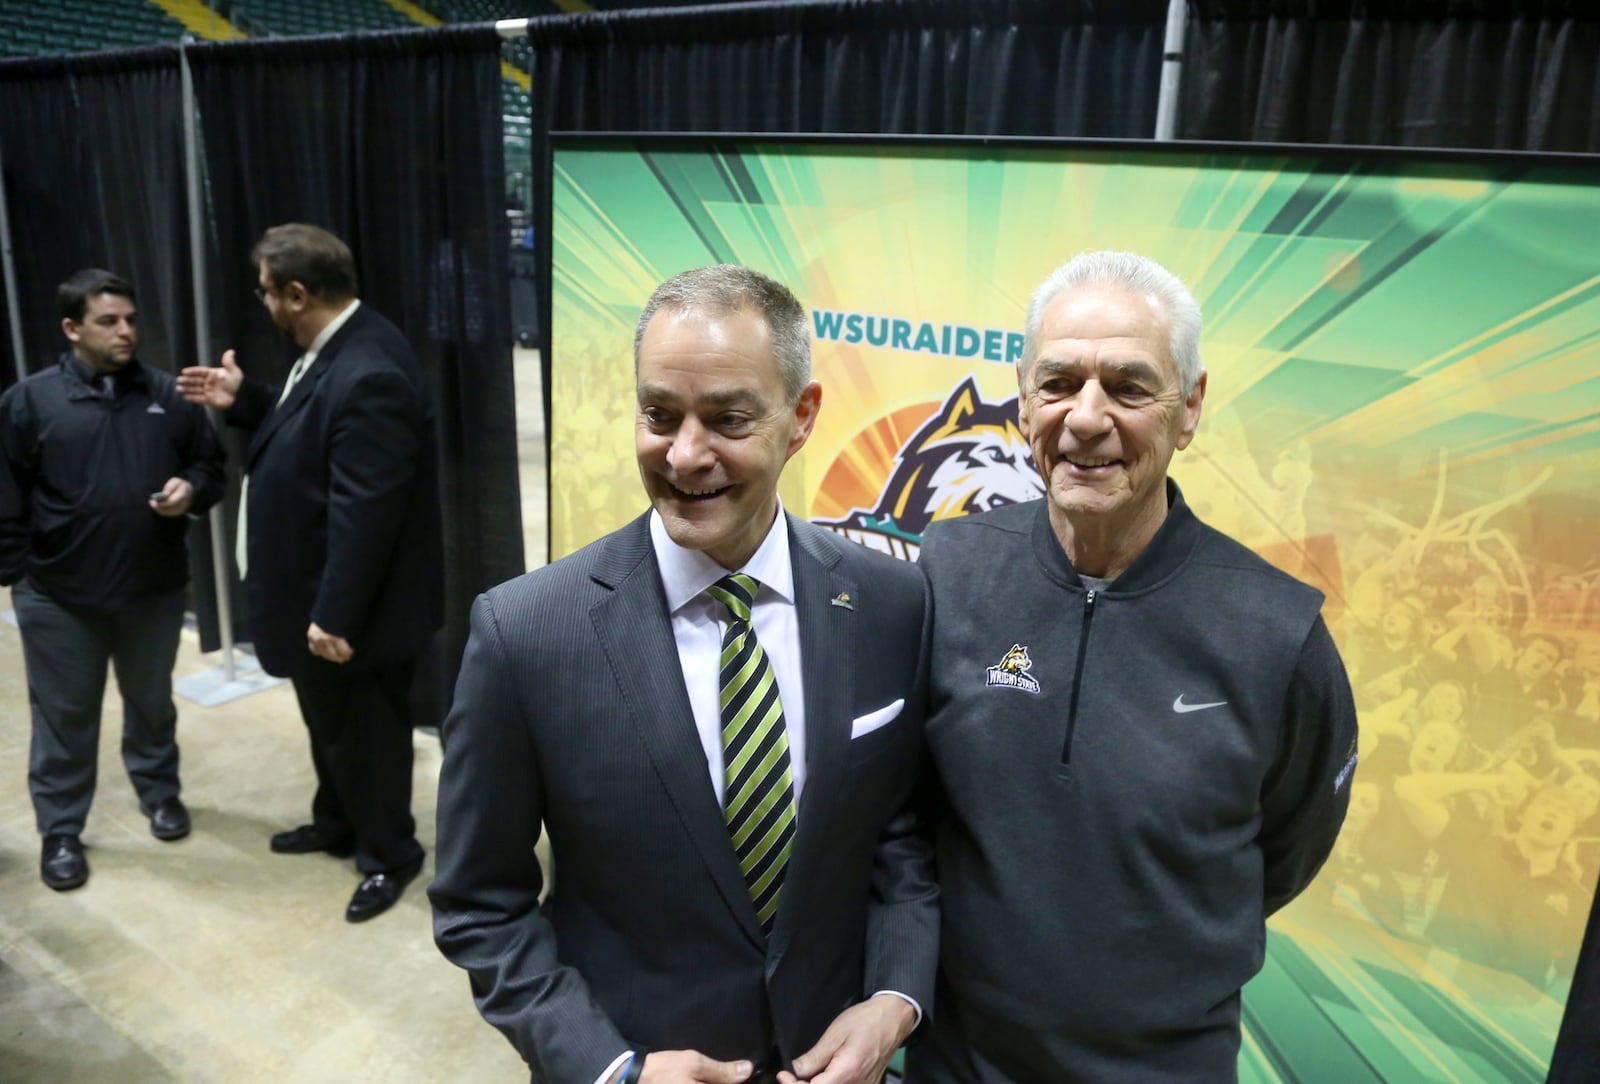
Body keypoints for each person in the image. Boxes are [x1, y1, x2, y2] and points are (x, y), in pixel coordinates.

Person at [428, 265, 936, 1084]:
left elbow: (900, 838)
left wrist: (896, 1000)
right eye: (660, 415)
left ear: (801, 417)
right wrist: (610, 1067)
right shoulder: (525, 633)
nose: (685, 454)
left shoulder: (889, 600)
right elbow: (479, 906)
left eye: (729, 419)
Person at [907, 251, 1359, 1081]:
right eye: (1058, 382)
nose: (1085, 418)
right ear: (1022, 395)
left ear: (1189, 409)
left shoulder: (1279, 633)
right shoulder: (946, 570)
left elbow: (1286, 850)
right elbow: (905, 816)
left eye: (1128, 386)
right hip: (954, 1064)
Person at [177, 224, 443, 923]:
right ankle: (338, 823)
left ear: (297, 293)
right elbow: (313, 430)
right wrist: (246, 399)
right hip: (319, 602)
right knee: (330, 728)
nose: (262, 304)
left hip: (354, 614)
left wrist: (336, 615)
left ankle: (390, 852)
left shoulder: (370, 369)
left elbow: (367, 513)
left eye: (267, 292)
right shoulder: (336, 352)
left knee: (368, 737)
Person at [0, 268, 223, 890]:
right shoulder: (28, 402)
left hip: (151, 593)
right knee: (66, 718)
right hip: (58, 597)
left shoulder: (168, 395)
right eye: (108, 321)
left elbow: (209, 464)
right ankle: (62, 830)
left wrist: (193, 490)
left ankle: (160, 795)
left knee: (151, 706)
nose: (126, 331)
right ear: (72, 329)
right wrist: (15, 573)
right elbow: (6, 492)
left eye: (130, 319)